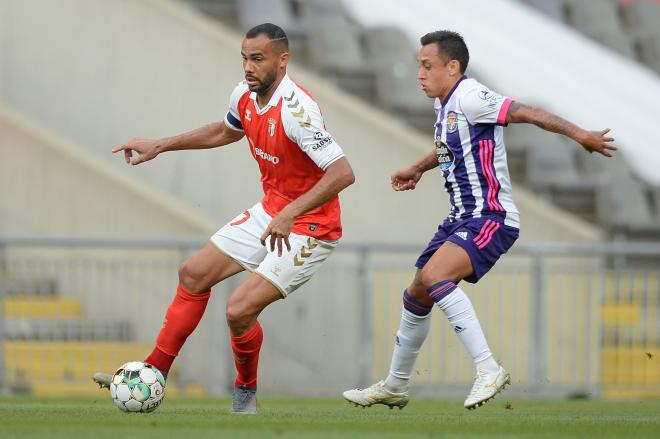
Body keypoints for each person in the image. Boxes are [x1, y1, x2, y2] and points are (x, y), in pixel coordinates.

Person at [342, 30, 615, 410]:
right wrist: (419, 168)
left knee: (435, 277)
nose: (419, 74)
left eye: (427, 66)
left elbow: (529, 112)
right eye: (418, 66)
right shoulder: (446, 104)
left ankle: (488, 368)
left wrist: (580, 134)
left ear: (452, 67)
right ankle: (395, 385)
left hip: (491, 216)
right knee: (417, 291)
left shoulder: (472, 96)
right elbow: (448, 146)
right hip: (460, 217)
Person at [93, 23, 355, 414]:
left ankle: (245, 394)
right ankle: (152, 373)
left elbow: (342, 173)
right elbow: (225, 130)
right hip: (272, 211)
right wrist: (160, 145)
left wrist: (290, 212)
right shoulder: (245, 96)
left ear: (283, 61)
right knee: (193, 273)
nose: (248, 67)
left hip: (310, 227)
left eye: (258, 59)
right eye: (245, 58)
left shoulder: (299, 111)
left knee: (238, 310)